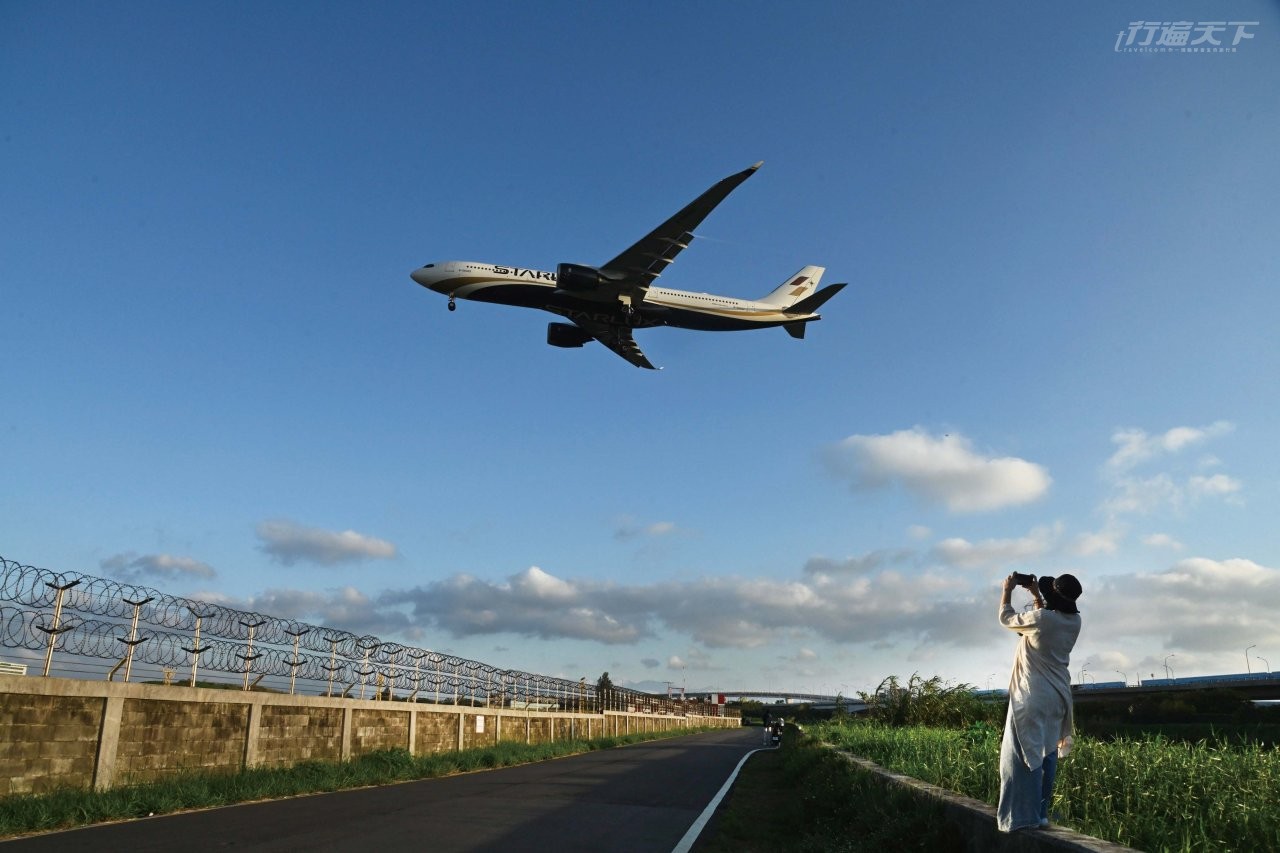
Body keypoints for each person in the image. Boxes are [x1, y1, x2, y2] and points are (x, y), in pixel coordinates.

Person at [996, 572, 1082, 832]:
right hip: (1058, 697)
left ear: (1052, 597)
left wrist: (1007, 590)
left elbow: (1006, 618)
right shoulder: (1074, 621)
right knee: (1048, 753)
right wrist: (1036, 595)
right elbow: (1045, 619)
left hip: (1032, 696)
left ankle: (1023, 818)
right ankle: (1041, 813)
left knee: (1023, 755)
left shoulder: (1043, 619)